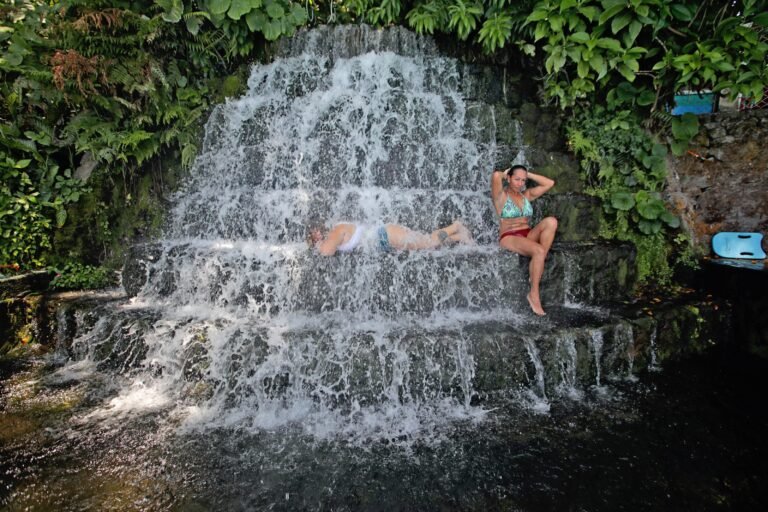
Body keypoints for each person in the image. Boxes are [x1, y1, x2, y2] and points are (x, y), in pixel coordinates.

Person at [491, 164, 557, 316]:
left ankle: (537, 266)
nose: (520, 183)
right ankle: (533, 294)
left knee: (551, 221)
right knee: (539, 250)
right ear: (508, 178)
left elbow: (550, 183)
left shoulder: (526, 195)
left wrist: (529, 174)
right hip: (509, 236)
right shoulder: (500, 196)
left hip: (527, 234)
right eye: (516, 179)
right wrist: (506, 173)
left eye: (523, 180)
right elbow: (495, 176)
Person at [307, 220, 473, 256]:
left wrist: (317, 245)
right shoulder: (333, 234)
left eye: (314, 233)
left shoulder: (335, 233)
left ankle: (455, 227)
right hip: (386, 239)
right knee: (427, 242)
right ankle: (459, 236)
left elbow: (326, 252)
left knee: (428, 242)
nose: (315, 236)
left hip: (387, 235)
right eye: (312, 236)